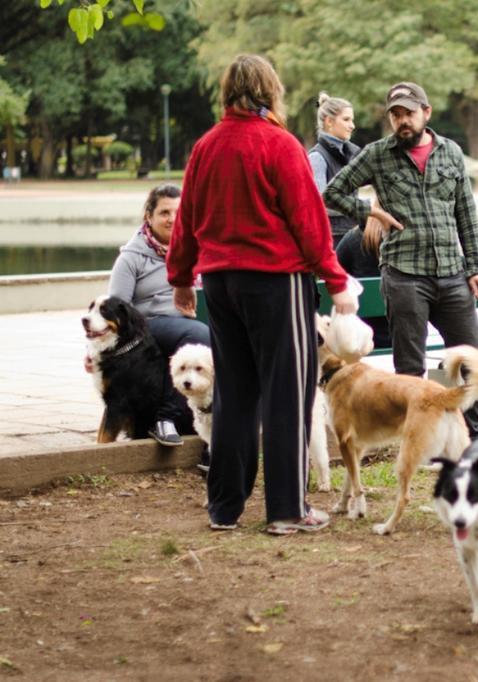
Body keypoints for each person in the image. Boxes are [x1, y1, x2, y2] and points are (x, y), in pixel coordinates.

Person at [166, 54, 358, 535]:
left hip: (220, 283)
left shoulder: (206, 145)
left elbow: (186, 217)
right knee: (287, 393)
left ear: (228, 91)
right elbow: (309, 221)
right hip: (275, 280)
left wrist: (181, 279)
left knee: (234, 392)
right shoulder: (280, 144)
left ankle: (224, 509)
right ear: (271, 91)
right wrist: (336, 281)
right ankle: (286, 510)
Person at [323, 81, 478, 439]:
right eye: (395, 115)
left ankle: (469, 435)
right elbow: (332, 191)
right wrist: (369, 212)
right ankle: (422, 439)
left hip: (451, 273)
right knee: (411, 371)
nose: (402, 121)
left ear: (426, 113)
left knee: (472, 360)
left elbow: (466, 213)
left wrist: (475, 266)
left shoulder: (452, 153)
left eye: (409, 113)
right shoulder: (377, 154)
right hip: (404, 276)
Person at [97, 183, 211, 450]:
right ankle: (165, 419)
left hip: (194, 318)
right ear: (149, 216)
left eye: (178, 212)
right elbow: (116, 309)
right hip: (151, 325)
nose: (172, 219)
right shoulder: (132, 257)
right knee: (198, 335)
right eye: (164, 213)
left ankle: (217, 434)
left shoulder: (198, 247)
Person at [308, 92, 361, 249]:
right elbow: (321, 204)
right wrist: (362, 208)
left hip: (352, 234)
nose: (352, 125)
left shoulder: (352, 153)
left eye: (352, 120)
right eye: (346, 120)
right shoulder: (317, 157)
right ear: (329, 122)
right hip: (331, 239)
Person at [335, 216, 392, 349]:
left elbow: (334, 274)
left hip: (360, 338)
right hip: (405, 337)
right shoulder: (407, 241)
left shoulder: (353, 239)